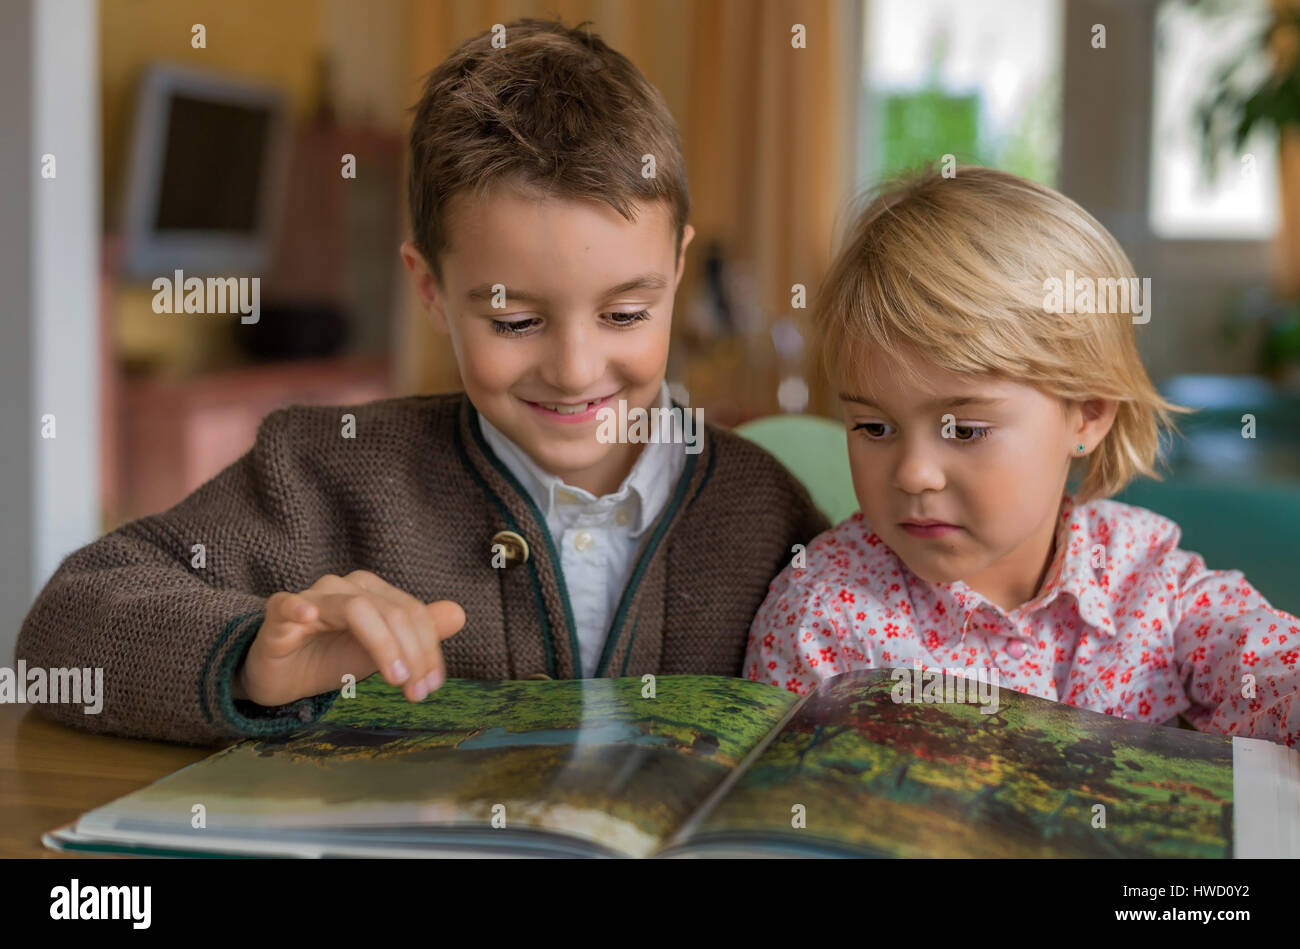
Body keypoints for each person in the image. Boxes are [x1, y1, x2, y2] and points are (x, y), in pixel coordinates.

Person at [17, 18, 827, 746]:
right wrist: (251, 657)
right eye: (515, 323)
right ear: (431, 288)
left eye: (625, 314)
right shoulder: (323, 470)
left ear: (678, 268)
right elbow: (63, 626)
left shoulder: (767, 516)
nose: (577, 370)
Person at [745, 164, 1299, 747]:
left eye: (964, 430)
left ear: (1087, 414)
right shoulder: (821, 618)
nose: (912, 473)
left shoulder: (1146, 577)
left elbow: (1259, 658)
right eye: (874, 427)